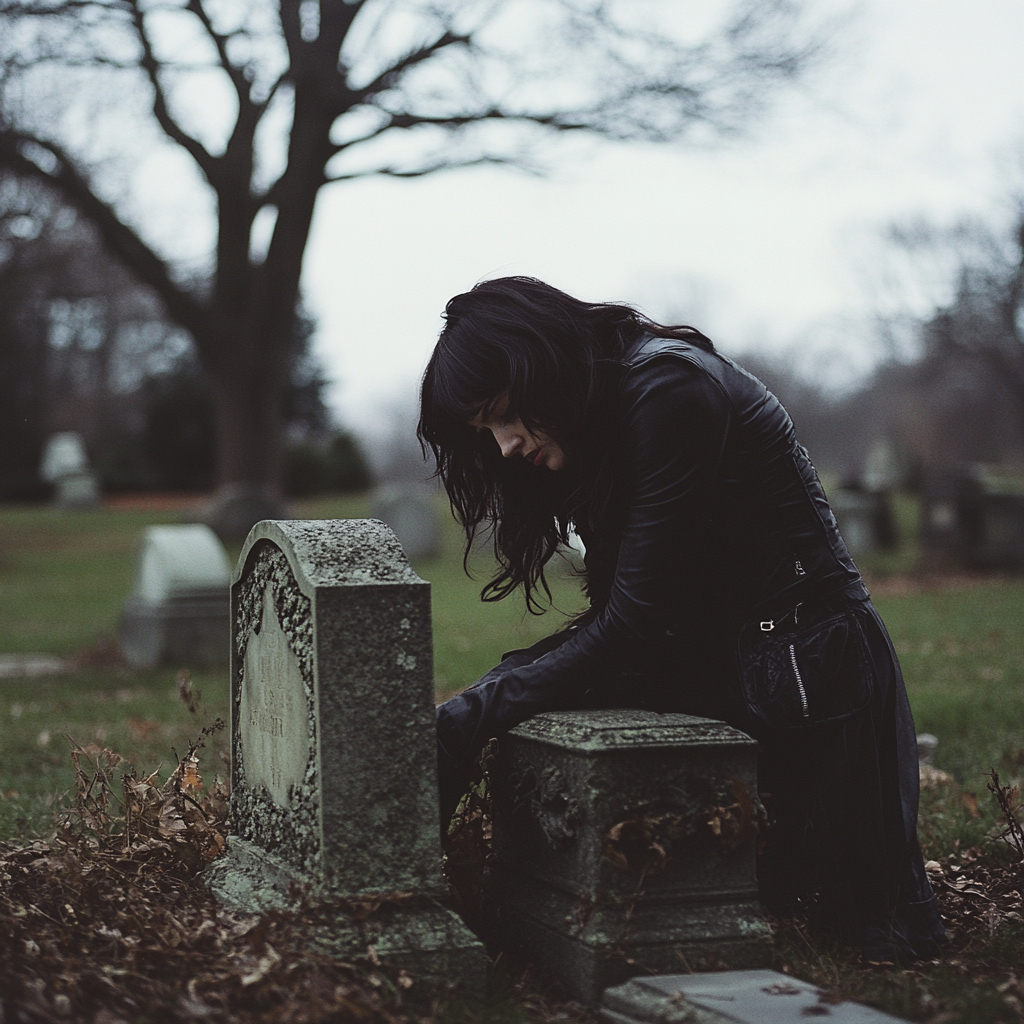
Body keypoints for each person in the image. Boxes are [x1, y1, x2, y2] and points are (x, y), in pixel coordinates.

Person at [418, 276, 947, 963]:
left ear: (540, 365)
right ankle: (400, 886)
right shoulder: (604, 412)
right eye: (484, 432)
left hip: (808, 677)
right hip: (732, 662)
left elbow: (633, 625)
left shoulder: (668, 389)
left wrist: (471, 716)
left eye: (502, 414)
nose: (505, 446)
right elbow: (634, 620)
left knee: (843, 947)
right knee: (509, 684)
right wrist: (475, 711)